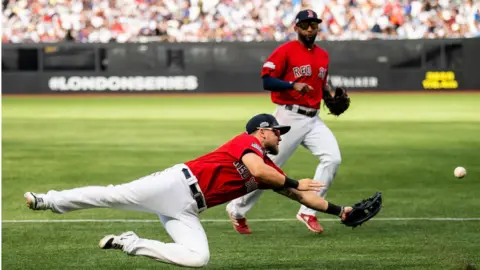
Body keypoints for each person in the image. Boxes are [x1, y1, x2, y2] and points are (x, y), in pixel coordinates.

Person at [24, 113, 357, 268]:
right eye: (277, 132)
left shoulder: (273, 171)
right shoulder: (247, 143)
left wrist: (340, 210)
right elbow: (260, 173)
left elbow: (301, 197)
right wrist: (296, 182)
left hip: (187, 209)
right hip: (174, 184)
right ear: (262, 131)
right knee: (111, 195)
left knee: (199, 258)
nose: (281, 137)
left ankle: (131, 242)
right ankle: (47, 200)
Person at [226, 9, 348, 234]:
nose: (310, 28)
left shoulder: (323, 55)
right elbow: (267, 80)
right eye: (305, 24)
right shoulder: (285, 51)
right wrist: (291, 85)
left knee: (332, 158)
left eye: (314, 24)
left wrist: (329, 96)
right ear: (296, 27)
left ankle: (308, 210)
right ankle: (237, 210)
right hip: (287, 117)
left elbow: (321, 84)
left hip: (313, 118)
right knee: (268, 170)